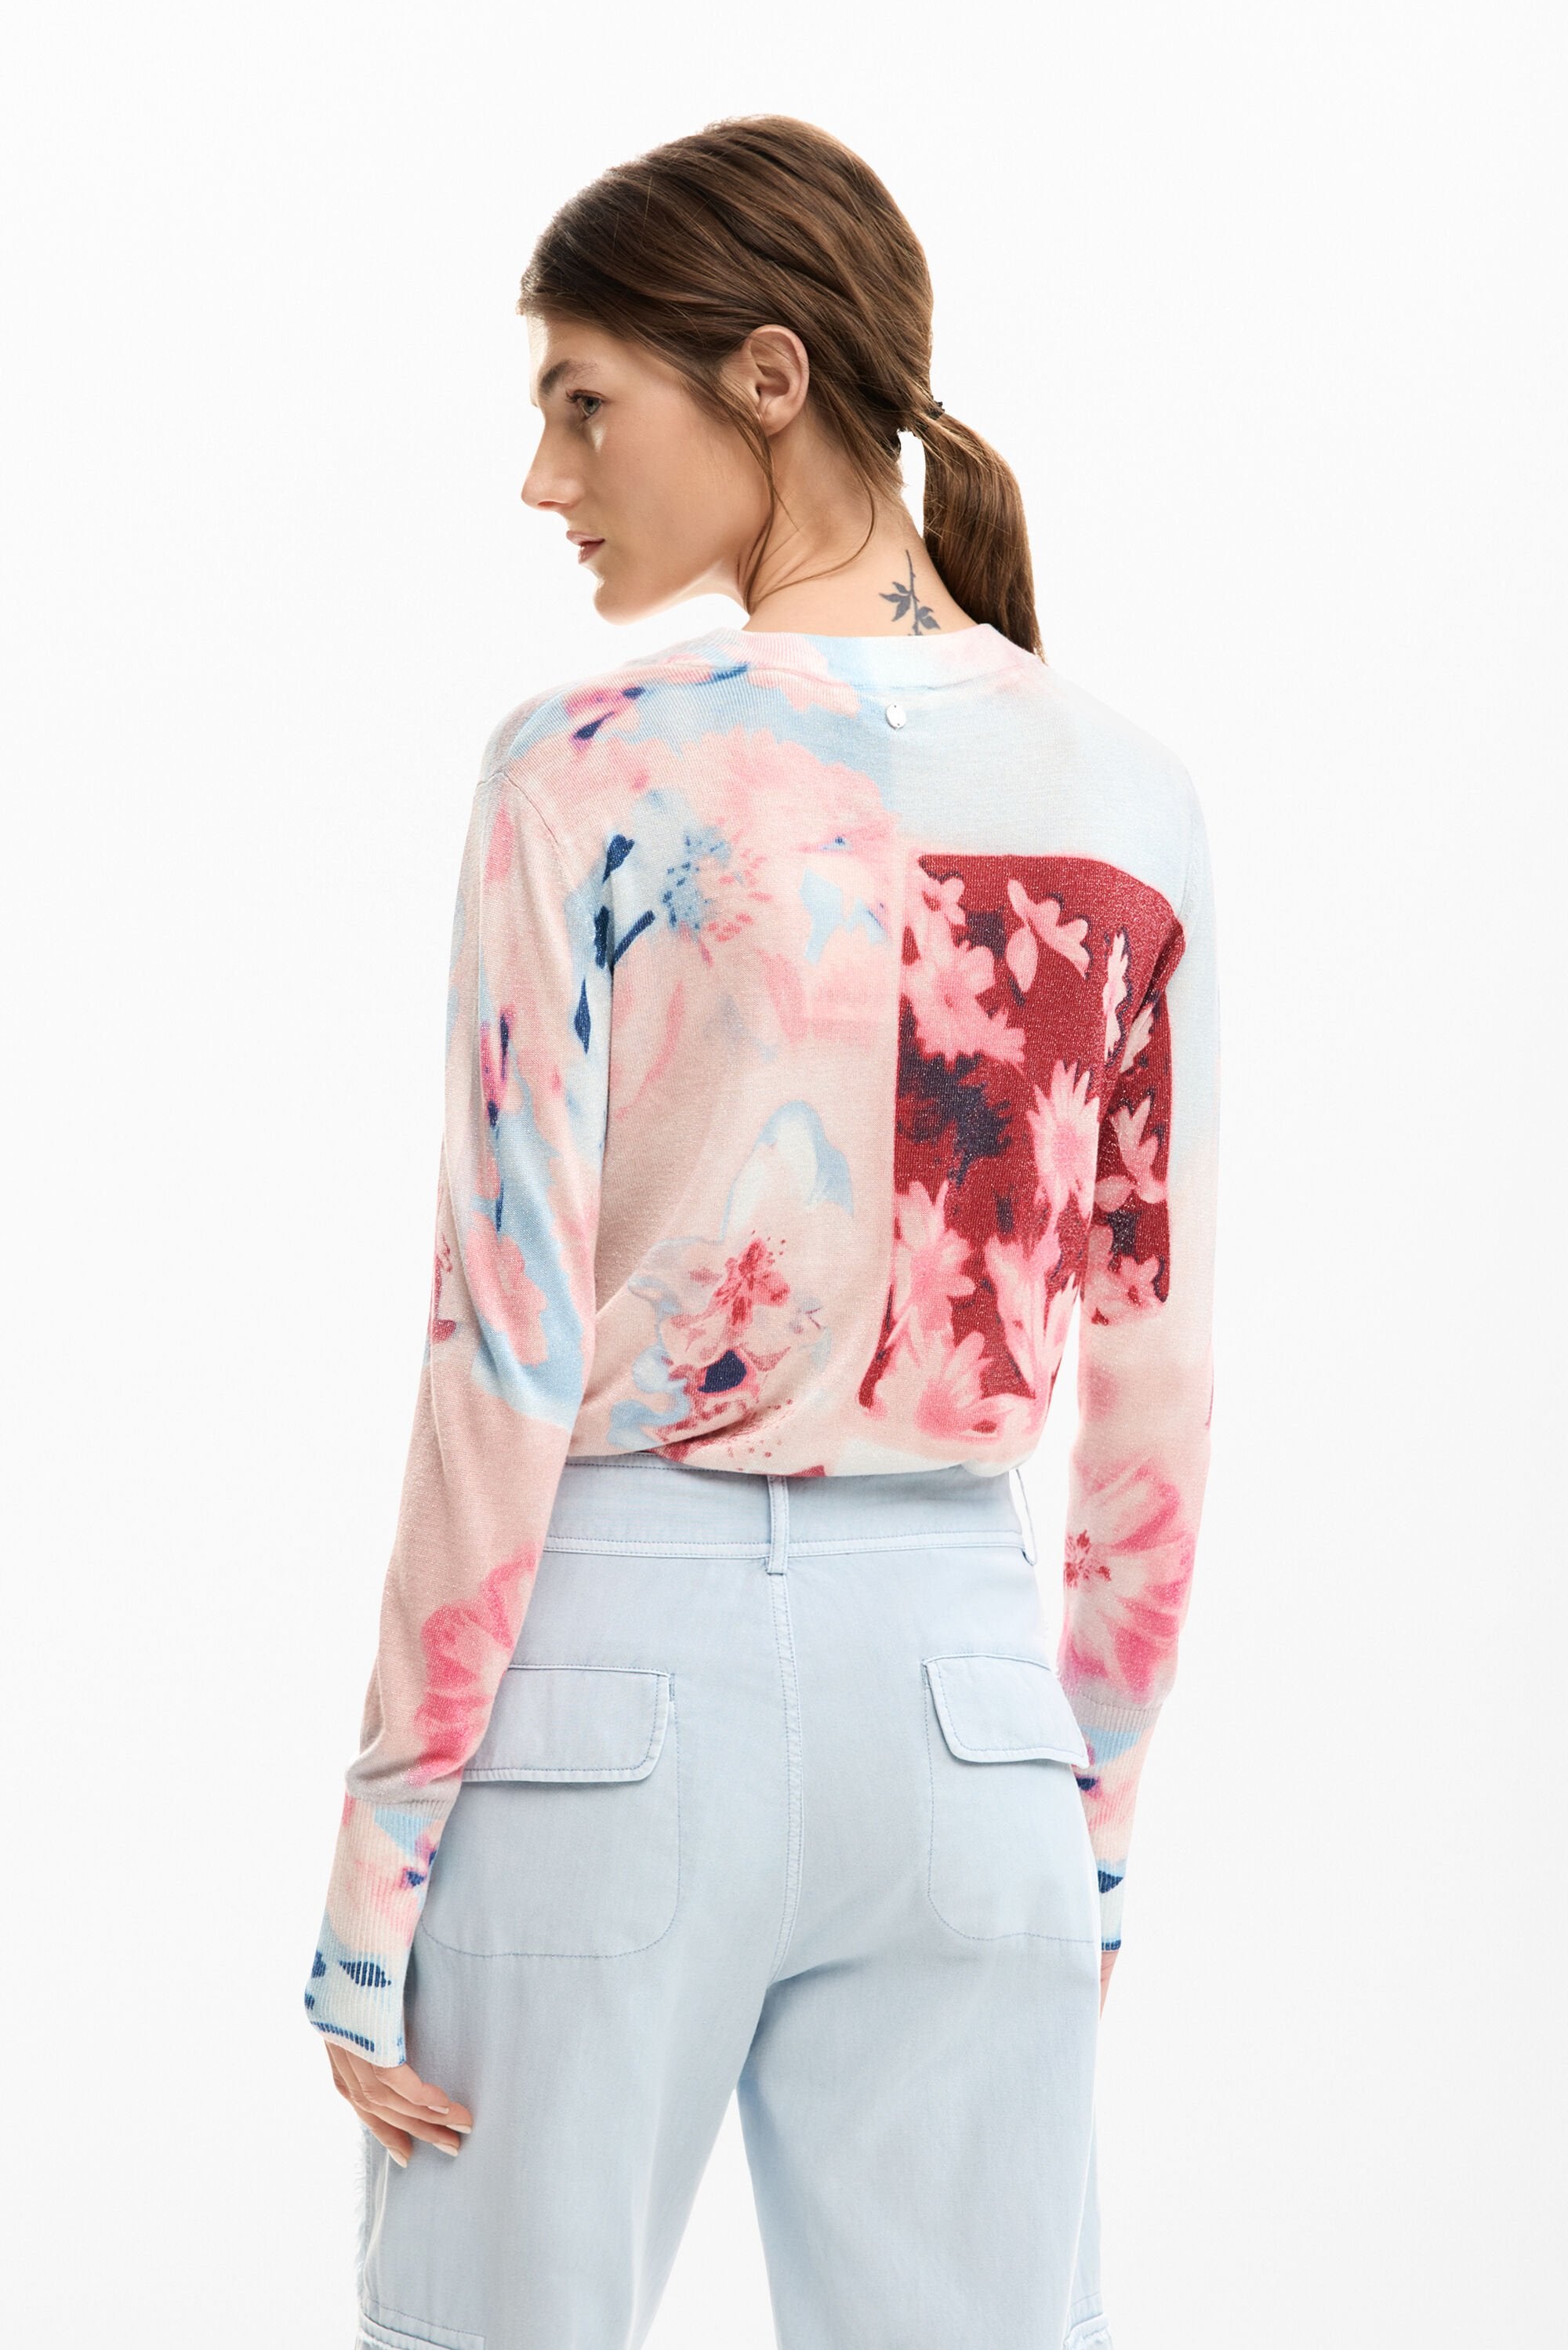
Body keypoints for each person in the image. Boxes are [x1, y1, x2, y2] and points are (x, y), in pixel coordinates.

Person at [305, 113, 1219, 2350]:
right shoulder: (1128, 794)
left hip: (612, 1689)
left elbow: (503, 1345)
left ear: (772, 378)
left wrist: (381, 1854)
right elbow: (1154, 1389)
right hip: (974, 1723)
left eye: (583, 400)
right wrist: (1083, 1828)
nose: (546, 476)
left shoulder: (587, 767)